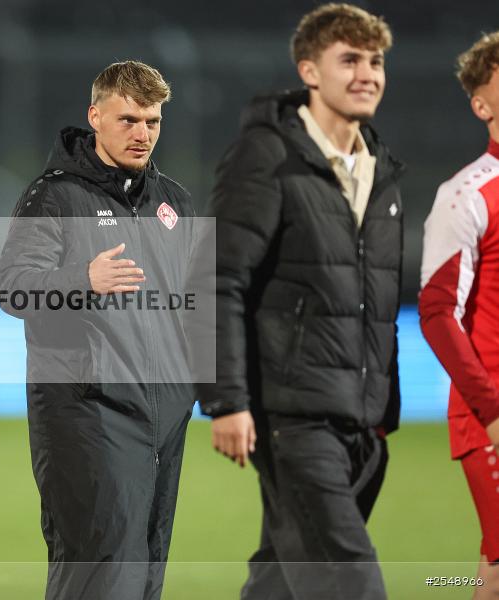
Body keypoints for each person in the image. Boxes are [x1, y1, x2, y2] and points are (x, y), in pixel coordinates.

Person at [199, 5, 403, 599]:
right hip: (293, 416)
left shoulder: (381, 170)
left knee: (281, 582)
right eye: (350, 60)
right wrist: (228, 401)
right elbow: (219, 279)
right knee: (352, 583)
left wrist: (380, 408)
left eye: (376, 61)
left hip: (361, 422)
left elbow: (373, 300)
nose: (367, 74)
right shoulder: (267, 156)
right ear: (309, 71)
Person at [0, 61, 197, 600]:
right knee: (98, 572)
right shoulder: (54, 197)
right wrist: (83, 279)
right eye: (129, 120)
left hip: (163, 418)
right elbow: (14, 288)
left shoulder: (173, 202)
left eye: (153, 122)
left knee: (146, 572)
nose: (143, 133)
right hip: (86, 412)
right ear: (95, 117)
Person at [420, 31, 499, 600]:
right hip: (492, 415)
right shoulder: (465, 194)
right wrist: (491, 412)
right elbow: (437, 313)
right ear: (482, 104)